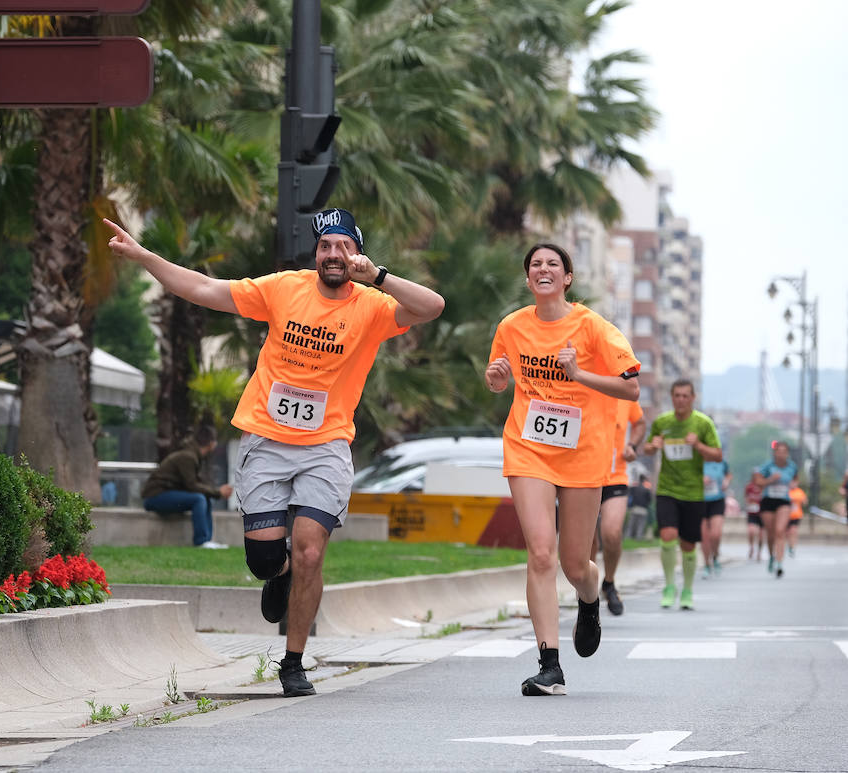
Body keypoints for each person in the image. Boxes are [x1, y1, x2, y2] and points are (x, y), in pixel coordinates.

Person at [104, 208, 444, 697]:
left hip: (327, 444)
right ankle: (276, 574)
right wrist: (142, 256)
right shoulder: (285, 288)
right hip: (266, 437)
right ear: (316, 253)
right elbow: (203, 289)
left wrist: (381, 277)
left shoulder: (372, 305)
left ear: (357, 252)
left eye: (344, 246)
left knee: (310, 550)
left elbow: (432, 306)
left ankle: (294, 659)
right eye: (326, 245)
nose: (334, 254)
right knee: (267, 560)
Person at [485, 243, 640, 696]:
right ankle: (549, 664)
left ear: (567, 277)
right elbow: (498, 379)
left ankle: (590, 596)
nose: (544, 269)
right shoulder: (512, 326)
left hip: (582, 453)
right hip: (528, 448)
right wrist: (496, 379)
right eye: (535, 264)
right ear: (528, 278)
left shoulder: (592, 327)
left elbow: (630, 390)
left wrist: (581, 376)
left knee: (575, 564)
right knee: (540, 552)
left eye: (553, 264)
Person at [643, 379, 722, 611]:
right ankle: (669, 586)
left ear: (693, 398)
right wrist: (653, 446)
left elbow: (717, 455)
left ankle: (687, 589)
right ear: (671, 396)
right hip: (667, 489)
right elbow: (647, 448)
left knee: (688, 545)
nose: (681, 400)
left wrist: (698, 445)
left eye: (685, 396)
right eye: (677, 395)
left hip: (693, 493)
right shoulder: (662, 422)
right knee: (667, 535)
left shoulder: (703, 424)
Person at [592, 397, 645, 615]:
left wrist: (631, 445)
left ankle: (609, 583)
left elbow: (640, 422)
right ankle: (587, 593)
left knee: (612, 533)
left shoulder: (623, 391)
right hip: (584, 474)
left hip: (615, 476)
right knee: (587, 541)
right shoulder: (584, 381)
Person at [141, 425, 234, 549]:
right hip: (154, 498)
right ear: (211, 443)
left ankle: (207, 540)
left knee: (204, 498)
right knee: (199, 499)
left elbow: (196, 484)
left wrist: (216, 492)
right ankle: (201, 541)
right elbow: (192, 485)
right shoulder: (188, 457)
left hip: (162, 495)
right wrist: (218, 492)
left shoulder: (192, 455)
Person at [754, 441, 797, 578]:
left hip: (783, 501)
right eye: (779, 451)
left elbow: (796, 479)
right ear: (775, 453)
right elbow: (758, 482)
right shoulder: (767, 466)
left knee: (780, 531)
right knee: (771, 533)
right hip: (768, 501)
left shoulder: (792, 466)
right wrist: (771, 480)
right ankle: (772, 555)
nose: (781, 454)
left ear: (787, 454)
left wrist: (793, 485)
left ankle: (779, 563)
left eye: (784, 452)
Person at [700, 457, 731, 577]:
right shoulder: (694, 461)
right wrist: (699, 480)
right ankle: (707, 564)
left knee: (715, 534)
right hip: (699, 501)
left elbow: (728, 474)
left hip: (717, 500)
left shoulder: (721, 461)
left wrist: (726, 482)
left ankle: (716, 556)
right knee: (704, 536)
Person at [743, 473, 764, 560]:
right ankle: (751, 547)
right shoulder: (749, 487)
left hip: (762, 514)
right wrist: (749, 502)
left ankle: (759, 552)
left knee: (761, 535)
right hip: (752, 513)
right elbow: (746, 497)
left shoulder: (764, 487)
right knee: (751, 531)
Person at [626, 474, 653, 540]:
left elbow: (629, 494)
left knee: (631, 524)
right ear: (644, 479)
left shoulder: (635, 486)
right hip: (643, 509)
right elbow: (650, 499)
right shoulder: (647, 488)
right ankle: (638, 537)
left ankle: (628, 536)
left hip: (634, 508)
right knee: (641, 524)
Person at [786, 478, 806, 557]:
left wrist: (797, 500)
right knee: (787, 533)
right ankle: (788, 545)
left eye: (795, 483)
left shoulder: (799, 491)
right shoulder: (787, 491)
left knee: (793, 531)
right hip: (786, 516)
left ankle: (792, 547)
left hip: (796, 515)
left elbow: (804, 501)